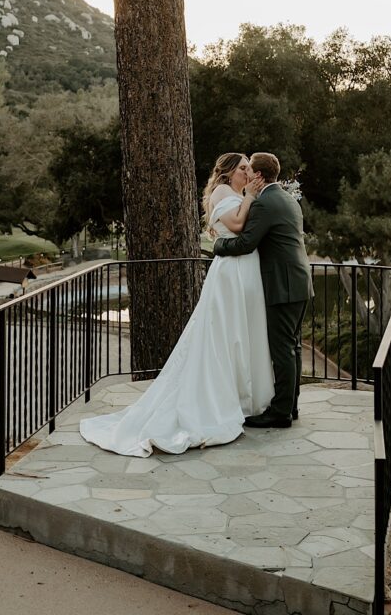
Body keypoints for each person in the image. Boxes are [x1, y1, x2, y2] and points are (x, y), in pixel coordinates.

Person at [79, 153, 274, 457]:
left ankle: (244, 398)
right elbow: (236, 225)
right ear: (227, 173)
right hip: (230, 275)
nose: (249, 172)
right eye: (243, 168)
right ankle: (218, 402)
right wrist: (250, 196)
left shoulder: (240, 193)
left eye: (250, 168)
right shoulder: (224, 192)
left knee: (243, 333)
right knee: (225, 335)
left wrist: (251, 196)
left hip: (246, 270)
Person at [213, 152, 313, 429]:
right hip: (299, 282)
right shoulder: (286, 199)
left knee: (282, 349)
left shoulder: (265, 204)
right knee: (291, 348)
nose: (246, 175)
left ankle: (280, 413)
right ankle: (290, 405)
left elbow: (245, 243)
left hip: (282, 285)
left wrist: (218, 247)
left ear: (258, 176)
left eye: (249, 171)